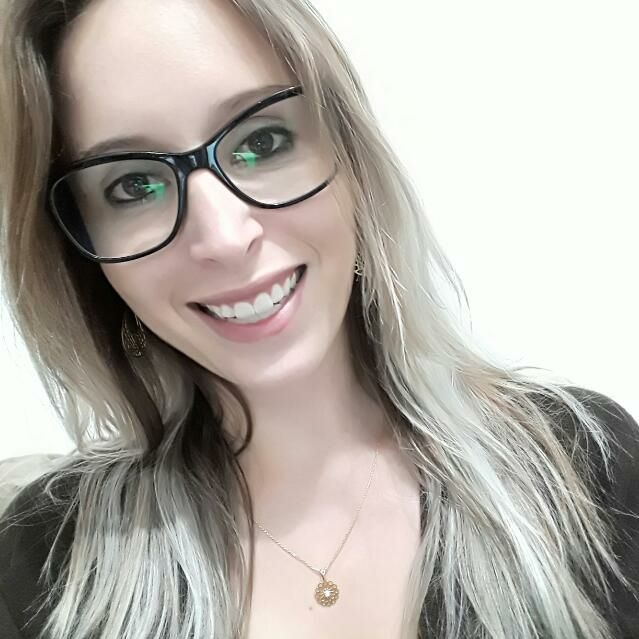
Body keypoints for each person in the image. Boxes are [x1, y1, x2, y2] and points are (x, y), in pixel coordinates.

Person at [0, 0, 637, 637]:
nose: (224, 237)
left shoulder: (582, 467)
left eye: (262, 141)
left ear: (352, 160)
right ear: (83, 253)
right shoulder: (43, 560)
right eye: (134, 185)